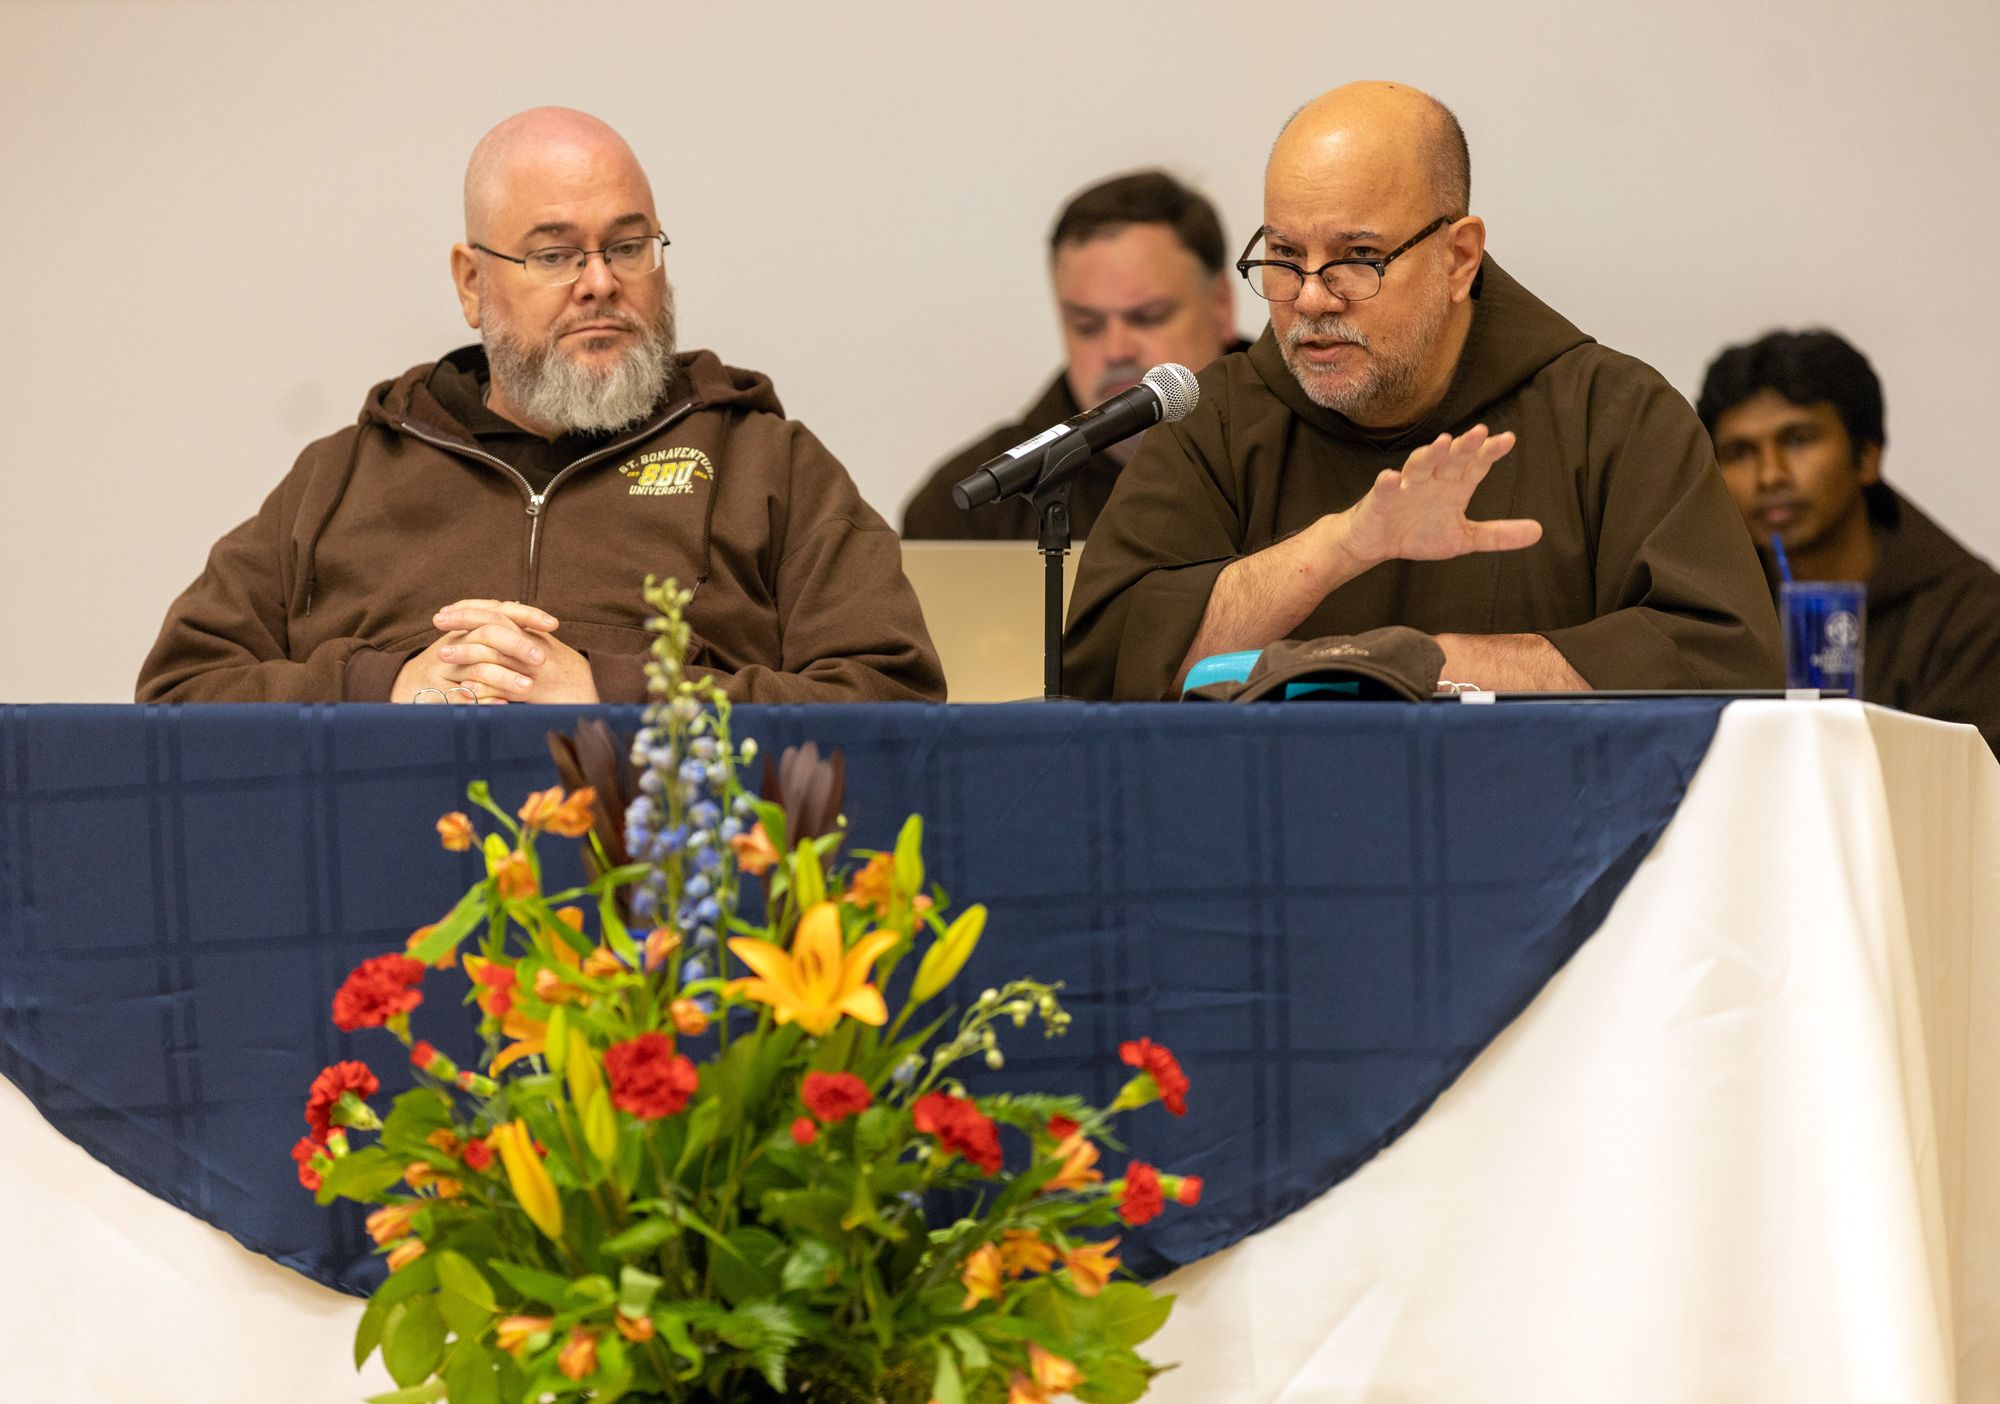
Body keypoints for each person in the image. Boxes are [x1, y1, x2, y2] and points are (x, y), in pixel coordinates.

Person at [138, 108, 944, 705]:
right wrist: (385, 685)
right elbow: (178, 694)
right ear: (470, 282)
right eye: (554, 254)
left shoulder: (768, 462)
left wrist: (617, 695)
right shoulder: (340, 478)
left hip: (675, 901)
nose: (600, 282)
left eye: (628, 247)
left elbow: (892, 696)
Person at [1062, 82, 1781, 700]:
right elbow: (1106, 663)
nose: (1311, 298)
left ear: (1459, 258)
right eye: (1284, 257)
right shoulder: (1216, 422)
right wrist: (1339, 548)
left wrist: (1430, 667)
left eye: (1358, 258)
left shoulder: (1613, 418)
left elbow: (1726, 660)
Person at [1698, 329, 2000, 753]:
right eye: (1740, 452)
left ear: (1867, 457)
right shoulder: (1708, 608)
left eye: (1798, 439)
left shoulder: (1970, 616)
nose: (1770, 476)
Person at [900, 170, 1242, 541]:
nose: (1116, 350)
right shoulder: (973, 510)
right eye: (1086, 324)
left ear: (1221, 303)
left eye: (1148, 317)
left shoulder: (1303, 446)